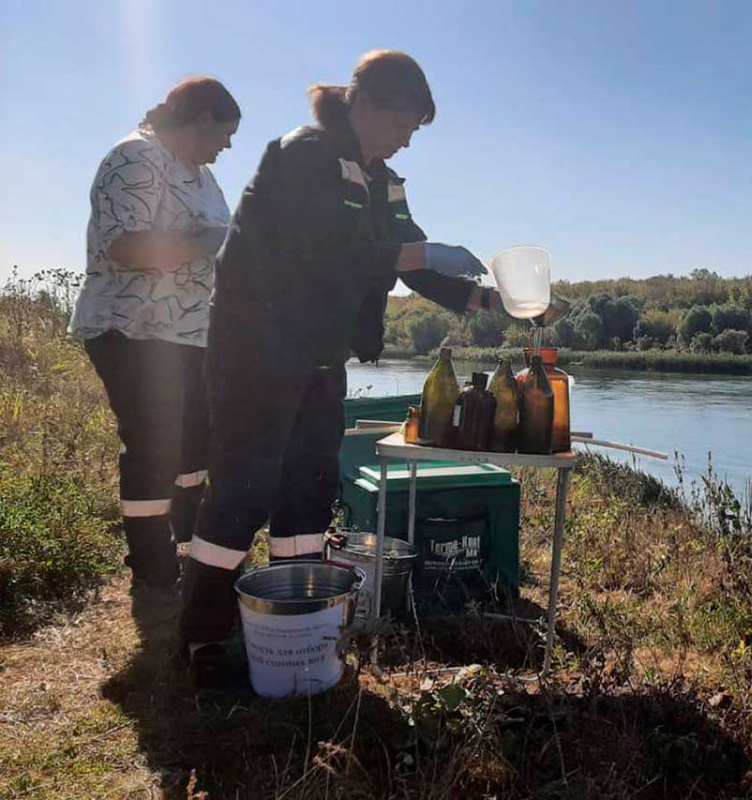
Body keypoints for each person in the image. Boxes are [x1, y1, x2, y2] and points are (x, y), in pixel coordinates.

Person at [178, 50, 520, 686]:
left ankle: (296, 615)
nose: (406, 139)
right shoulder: (301, 153)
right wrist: (419, 248)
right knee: (246, 483)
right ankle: (201, 635)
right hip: (256, 344)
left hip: (318, 352)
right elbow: (327, 248)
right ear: (366, 104)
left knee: (310, 485)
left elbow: (412, 264)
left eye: (416, 129)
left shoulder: (384, 180)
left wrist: (494, 302)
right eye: (403, 124)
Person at [71, 78, 240, 590]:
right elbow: (128, 247)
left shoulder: (199, 173)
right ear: (200, 120)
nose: (227, 146)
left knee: (198, 439)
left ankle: (187, 545)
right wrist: (201, 242)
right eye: (225, 133)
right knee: (152, 443)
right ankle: (151, 564)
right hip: (133, 327)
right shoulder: (135, 157)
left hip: (189, 332)